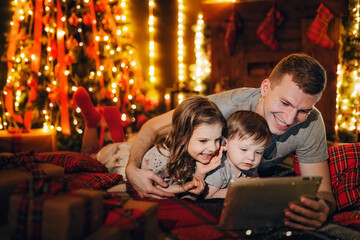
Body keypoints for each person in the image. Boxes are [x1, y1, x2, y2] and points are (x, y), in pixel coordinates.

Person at [125, 53, 336, 230]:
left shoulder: (311, 123)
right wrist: (132, 168)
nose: (290, 119)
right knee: (117, 152)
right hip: (167, 158)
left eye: (303, 111)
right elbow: (151, 126)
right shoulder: (224, 109)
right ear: (265, 88)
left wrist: (323, 209)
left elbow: (324, 192)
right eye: (284, 103)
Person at [73, 89, 226, 196]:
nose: (213, 147)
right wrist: (183, 188)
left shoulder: (198, 149)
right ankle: (92, 122)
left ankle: (115, 129)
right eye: (204, 140)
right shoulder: (161, 160)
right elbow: (155, 188)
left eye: (217, 139)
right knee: (90, 158)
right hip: (119, 157)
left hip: (133, 149)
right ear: (182, 136)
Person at [205, 110, 272, 199]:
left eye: (258, 152)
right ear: (224, 144)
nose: (251, 157)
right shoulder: (218, 169)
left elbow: (256, 182)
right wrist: (237, 188)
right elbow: (208, 196)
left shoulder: (249, 166)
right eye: (244, 149)